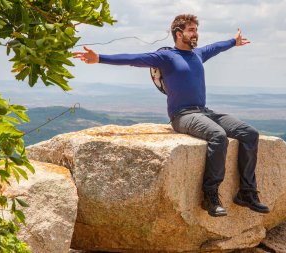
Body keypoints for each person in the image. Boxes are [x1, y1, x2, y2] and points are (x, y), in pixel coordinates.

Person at [73, 14, 270, 217]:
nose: (196, 34)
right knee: (218, 136)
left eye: (196, 29)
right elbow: (133, 59)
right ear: (179, 33)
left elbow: (216, 47)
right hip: (182, 115)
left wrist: (233, 42)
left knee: (249, 133)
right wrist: (99, 58)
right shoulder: (167, 57)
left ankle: (246, 193)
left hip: (204, 112)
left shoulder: (198, 54)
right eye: (191, 30)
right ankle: (210, 195)